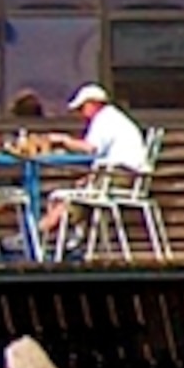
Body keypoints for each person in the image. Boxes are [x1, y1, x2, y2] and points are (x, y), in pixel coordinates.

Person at [36, 82, 151, 253]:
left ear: (93, 104)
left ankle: (37, 234)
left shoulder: (105, 119)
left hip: (119, 174)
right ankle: (73, 238)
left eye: (82, 108)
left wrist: (63, 140)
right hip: (123, 174)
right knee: (76, 190)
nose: (82, 113)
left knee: (70, 198)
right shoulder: (113, 118)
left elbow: (90, 148)